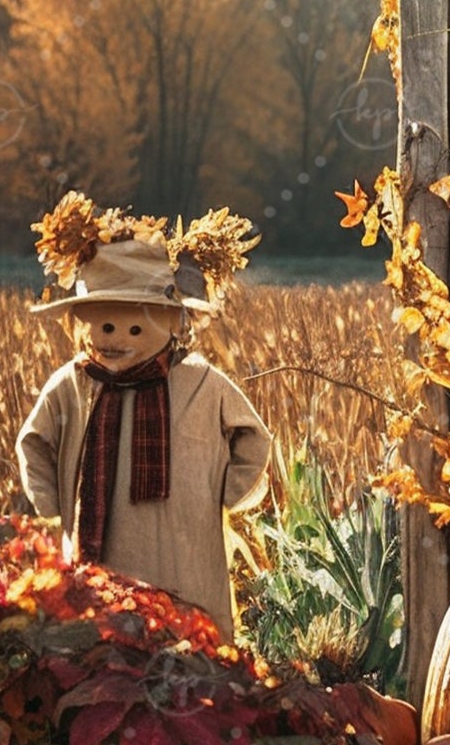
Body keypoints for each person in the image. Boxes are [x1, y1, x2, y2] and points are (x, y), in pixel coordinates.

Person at [15, 198, 271, 635]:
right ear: (84, 321)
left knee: (190, 644)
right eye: (105, 327)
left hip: (186, 550)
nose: (116, 341)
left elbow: (253, 439)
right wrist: (55, 506)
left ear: (173, 323)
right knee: (105, 640)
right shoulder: (73, 384)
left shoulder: (200, 382)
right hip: (100, 549)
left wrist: (225, 493)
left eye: (135, 329)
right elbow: (34, 443)